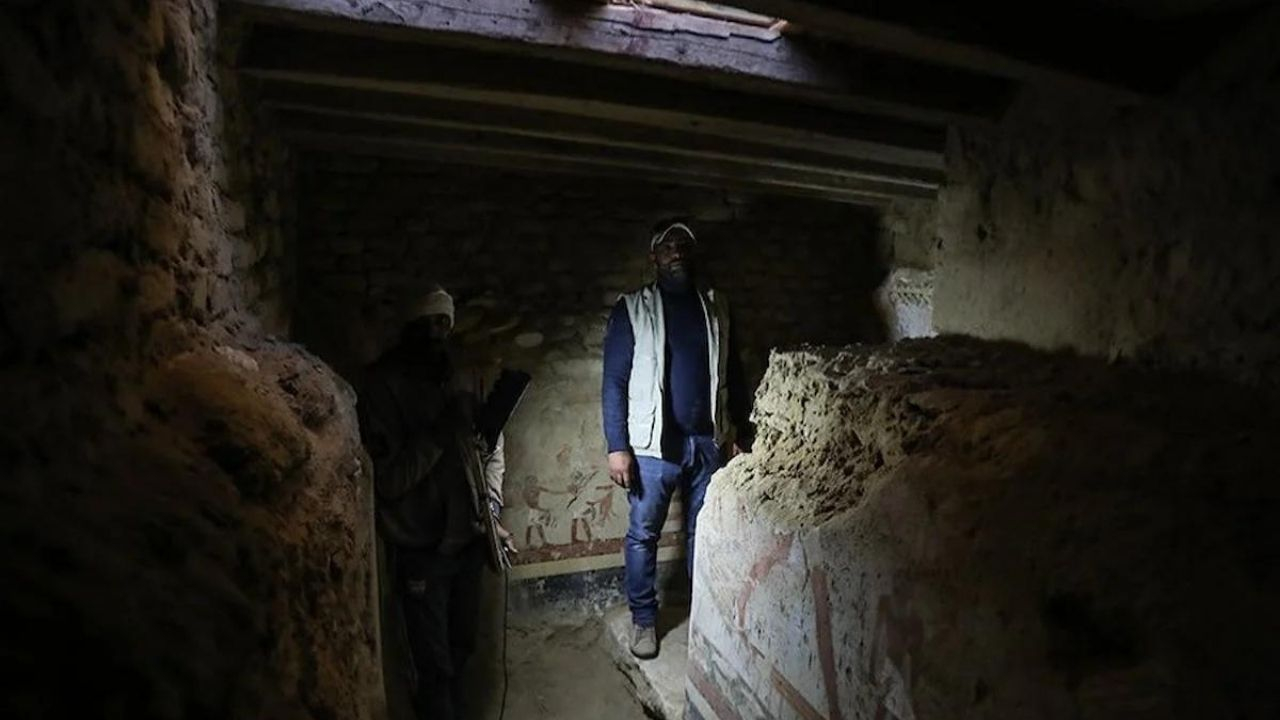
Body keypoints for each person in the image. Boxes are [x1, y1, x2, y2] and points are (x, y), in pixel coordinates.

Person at [601, 219, 753, 659]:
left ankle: (703, 613)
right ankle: (644, 621)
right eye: (668, 246)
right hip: (653, 447)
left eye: (683, 244)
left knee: (704, 532)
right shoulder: (633, 309)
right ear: (654, 257)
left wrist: (739, 430)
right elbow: (614, 381)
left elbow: (733, 371)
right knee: (643, 534)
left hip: (707, 441)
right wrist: (617, 446)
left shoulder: (715, 306)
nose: (677, 252)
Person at [358, 288, 507, 720]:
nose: (440, 332)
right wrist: (440, 432)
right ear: (409, 327)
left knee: (461, 649)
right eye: (430, 322)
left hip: (466, 540)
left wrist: (490, 510)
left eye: (445, 322)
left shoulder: (455, 376)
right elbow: (389, 480)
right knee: (433, 666)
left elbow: (489, 452)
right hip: (422, 546)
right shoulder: (382, 388)